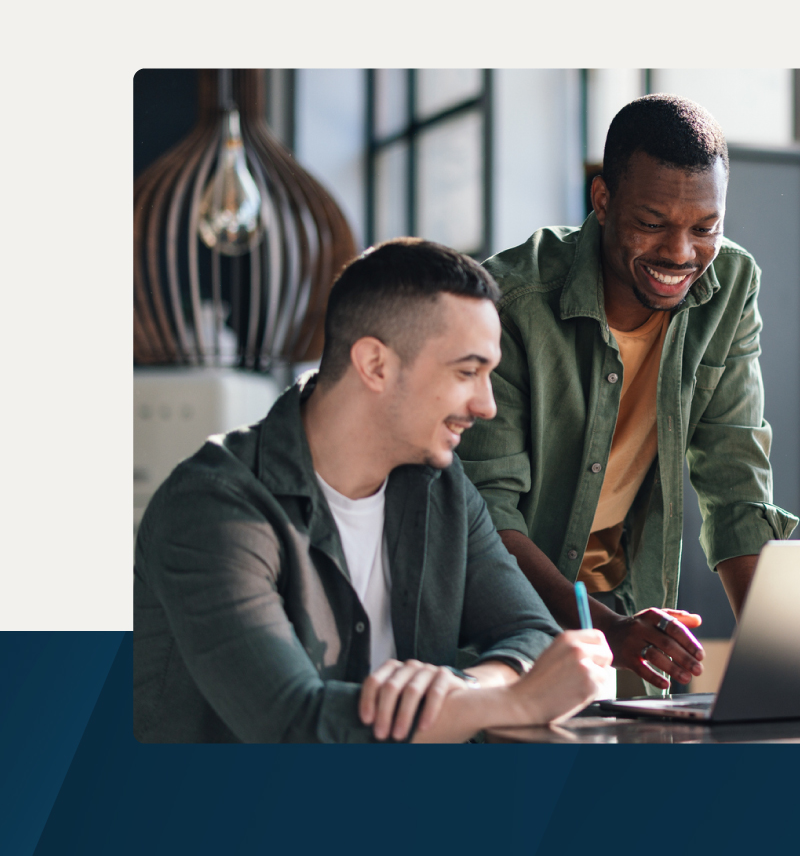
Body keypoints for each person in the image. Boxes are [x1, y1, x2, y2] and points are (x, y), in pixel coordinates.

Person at [133, 239, 612, 743]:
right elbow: (295, 727)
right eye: (468, 372)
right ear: (375, 364)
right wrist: (515, 700)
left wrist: (465, 690)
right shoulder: (213, 509)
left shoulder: (440, 487)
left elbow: (533, 633)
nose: (487, 404)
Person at [458, 94, 797, 695]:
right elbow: (488, 517)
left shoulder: (730, 287)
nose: (679, 253)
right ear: (603, 199)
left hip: (628, 611)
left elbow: (736, 483)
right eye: (651, 223)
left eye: (705, 227)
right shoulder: (510, 304)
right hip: (510, 622)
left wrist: (783, 664)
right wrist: (608, 632)